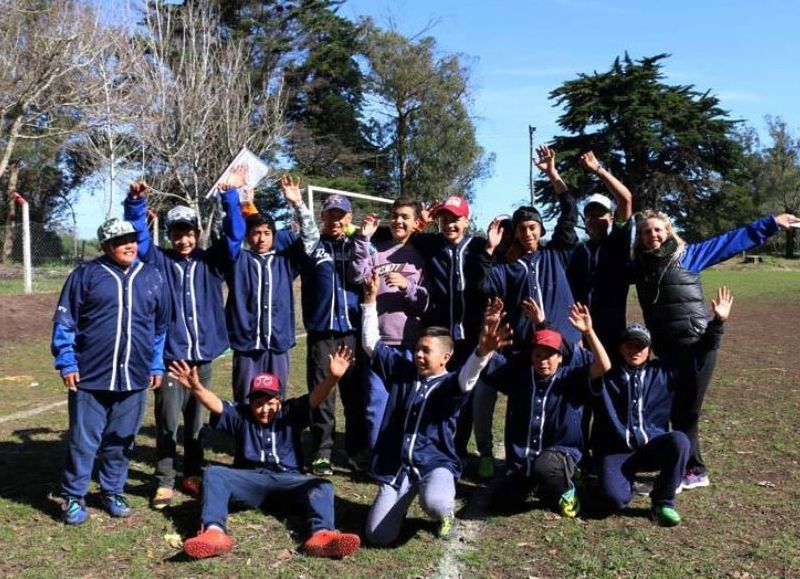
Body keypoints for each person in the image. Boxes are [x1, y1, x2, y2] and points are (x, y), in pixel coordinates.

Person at [632, 209, 799, 489]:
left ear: (669, 231)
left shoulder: (688, 256)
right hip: (665, 350)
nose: (653, 236)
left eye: (658, 230)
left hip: (696, 346)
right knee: (671, 409)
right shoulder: (640, 266)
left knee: (686, 411)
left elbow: (730, 242)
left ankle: (692, 472)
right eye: (647, 232)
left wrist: (771, 224)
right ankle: (684, 468)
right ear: (640, 237)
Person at [168, 350, 361, 560]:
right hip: (250, 482)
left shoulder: (290, 412)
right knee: (215, 474)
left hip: (289, 482)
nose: (264, 409)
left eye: (270, 403)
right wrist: (196, 388)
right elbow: (216, 405)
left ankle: (322, 535)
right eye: (258, 403)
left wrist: (333, 378)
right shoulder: (241, 415)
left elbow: (315, 399)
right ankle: (214, 533)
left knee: (322, 486)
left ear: (279, 401)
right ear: (250, 402)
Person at [124, 178, 244, 509]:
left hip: (202, 358)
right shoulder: (158, 261)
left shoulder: (212, 261)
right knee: (166, 422)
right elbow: (140, 237)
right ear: (170, 235)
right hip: (171, 359)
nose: (184, 239)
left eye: (189, 232)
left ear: (197, 233)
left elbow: (235, 235)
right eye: (177, 233)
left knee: (195, 423)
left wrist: (229, 197)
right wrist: (135, 205)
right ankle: (163, 480)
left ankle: (192, 473)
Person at [52, 217, 171, 524]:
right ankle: (73, 496)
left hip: (134, 375)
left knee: (121, 439)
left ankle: (112, 490)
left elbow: (160, 329)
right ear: (106, 246)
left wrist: (156, 363)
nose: (128, 245)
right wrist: (67, 361)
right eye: (120, 241)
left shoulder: (154, 277)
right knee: (83, 440)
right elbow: (66, 322)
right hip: (91, 375)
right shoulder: (85, 275)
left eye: (131, 238)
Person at [361, 272, 492, 544]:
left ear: (445, 357)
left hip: (435, 464)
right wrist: (370, 300)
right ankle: (403, 497)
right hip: (399, 467)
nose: (419, 355)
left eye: (426, 351)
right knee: (378, 536)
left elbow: (467, 378)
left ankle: (444, 512)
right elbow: (371, 344)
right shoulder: (403, 370)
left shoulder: (449, 385)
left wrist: (482, 352)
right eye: (418, 349)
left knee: (434, 501)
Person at [474, 145, 579, 478]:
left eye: (533, 227)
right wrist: (489, 249)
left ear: (541, 231)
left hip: (564, 345)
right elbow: (482, 285)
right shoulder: (510, 269)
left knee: (568, 404)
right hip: (525, 351)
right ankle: (515, 462)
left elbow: (569, 210)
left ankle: (568, 460)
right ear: (515, 235)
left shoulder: (557, 254)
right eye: (521, 229)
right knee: (521, 406)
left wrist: (552, 174)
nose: (528, 233)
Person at [591, 286, 733, 526]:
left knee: (679, 440)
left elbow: (697, 355)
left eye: (640, 346)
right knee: (614, 500)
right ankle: (618, 481)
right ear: (620, 348)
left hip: (651, 447)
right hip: (618, 450)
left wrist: (717, 322)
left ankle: (663, 502)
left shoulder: (663, 373)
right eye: (629, 345)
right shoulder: (609, 376)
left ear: (649, 350)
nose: (634, 351)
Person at [478, 298, 611, 517]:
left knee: (545, 467)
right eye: (538, 355)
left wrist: (589, 333)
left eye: (550, 355)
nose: (543, 361)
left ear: (561, 358)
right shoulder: (520, 376)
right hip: (523, 460)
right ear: (531, 356)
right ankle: (536, 484)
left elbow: (604, 365)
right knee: (500, 505)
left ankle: (567, 489)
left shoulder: (572, 379)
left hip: (558, 455)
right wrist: (488, 328)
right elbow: (485, 359)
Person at [225, 174, 318, 402]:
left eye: (267, 233)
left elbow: (311, 238)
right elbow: (228, 232)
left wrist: (297, 203)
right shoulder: (237, 260)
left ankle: (275, 437)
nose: (261, 238)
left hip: (278, 342)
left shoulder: (286, 261)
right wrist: (235, 198)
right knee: (246, 399)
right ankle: (245, 438)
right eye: (256, 233)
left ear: (274, 236)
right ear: (248, 236)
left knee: (275, 398)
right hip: (246, 344)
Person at [410, 194, 488, 461]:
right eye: (445, 219)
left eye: (455, 219)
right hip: (441, 338)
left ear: (466, 221)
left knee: (465, 395)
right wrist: (421, 222)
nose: (449, 225)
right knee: (437, 392)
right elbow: (401, 234)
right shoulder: (431, 244)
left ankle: (458, 450)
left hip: (470, 339)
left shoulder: (479, 246)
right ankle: (433, 445)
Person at [351, 199, 428, 450]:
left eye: (405, 217)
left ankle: (403, 458)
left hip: (409, 344)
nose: (398, 221)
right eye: (395, 216)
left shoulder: (421, 257)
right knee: (376, 405)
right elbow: (358, 276)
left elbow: (425, 303)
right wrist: (363, 240)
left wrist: (408, 287)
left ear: (416, 223)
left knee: (407, 405)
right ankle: (378, 459)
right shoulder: (378, 252)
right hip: (378, 344)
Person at [300, 194, 368, 475]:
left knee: (354, 396)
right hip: (322, 334)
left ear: (349, 218)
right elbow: (303, 231)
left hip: (351, 332)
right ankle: (322, 452)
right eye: (331, 214)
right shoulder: (313, 246)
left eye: (342, 215)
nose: (336, 220)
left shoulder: (358, 245)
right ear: (322, 217)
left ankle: (355, 451)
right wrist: (297, 204)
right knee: (322, 395)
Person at [566, 151, 634, 350]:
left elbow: (626, 199)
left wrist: (598, 170)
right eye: (589, 215)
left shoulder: (618, 242)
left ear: (611, 218)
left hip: (613, 332)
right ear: (585, 221)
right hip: (582, 331)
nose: (594, 219)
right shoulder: (579, 252)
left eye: (600, 214)